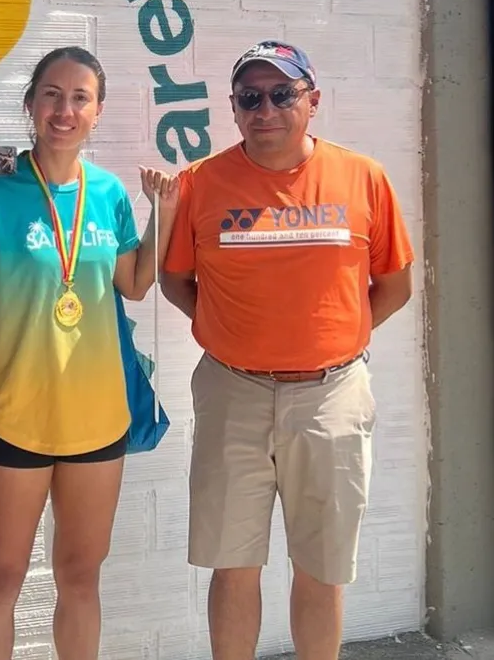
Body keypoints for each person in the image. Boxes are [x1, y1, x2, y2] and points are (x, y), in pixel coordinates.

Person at [160, 40, 415, 660]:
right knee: (232, 564)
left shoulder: (363, 177)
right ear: (233, 107)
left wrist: (333, 340)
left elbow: (395, 285)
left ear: (313, 100)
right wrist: (232, 332)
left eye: (282, 94)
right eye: (250, 98)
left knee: (321, 567)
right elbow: (175, 279)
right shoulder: (200, 183)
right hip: (232, 392)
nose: (265, 110)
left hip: (332, 395)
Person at [0, 46, 179, 660]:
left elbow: (134, 284)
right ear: (30, 104)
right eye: (51, 95)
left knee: (80, 576)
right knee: (1, 578)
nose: (64, 110)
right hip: (15, 416)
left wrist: (163, 215)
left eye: (79, 98)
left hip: (98, 420)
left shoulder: (109, 193)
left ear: (98, 111)